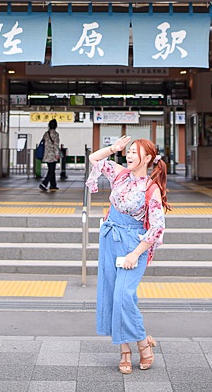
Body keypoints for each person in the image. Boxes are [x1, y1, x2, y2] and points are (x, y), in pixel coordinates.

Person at [86, 135, 170, 375]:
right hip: (110, 240)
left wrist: (135, 254)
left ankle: (142, 341)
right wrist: (114, 148)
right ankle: (125, 350)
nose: (129, 155)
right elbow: (94, 158)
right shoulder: (120, 173)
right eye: (129, 151)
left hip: (134, 245)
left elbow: (157, 228)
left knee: (124, 295)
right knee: (113, 295)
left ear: (149, 158)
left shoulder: (151, 188)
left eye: (135, 152)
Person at [38, 119, 61, 192]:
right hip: (52, 155)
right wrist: (57, 154)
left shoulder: (46, 134)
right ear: (56, 126)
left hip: (46, 154)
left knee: (51, 169)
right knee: (51, 170)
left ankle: (53, 185)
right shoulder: (55, 134)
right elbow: (56, 145)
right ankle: (44, 183)